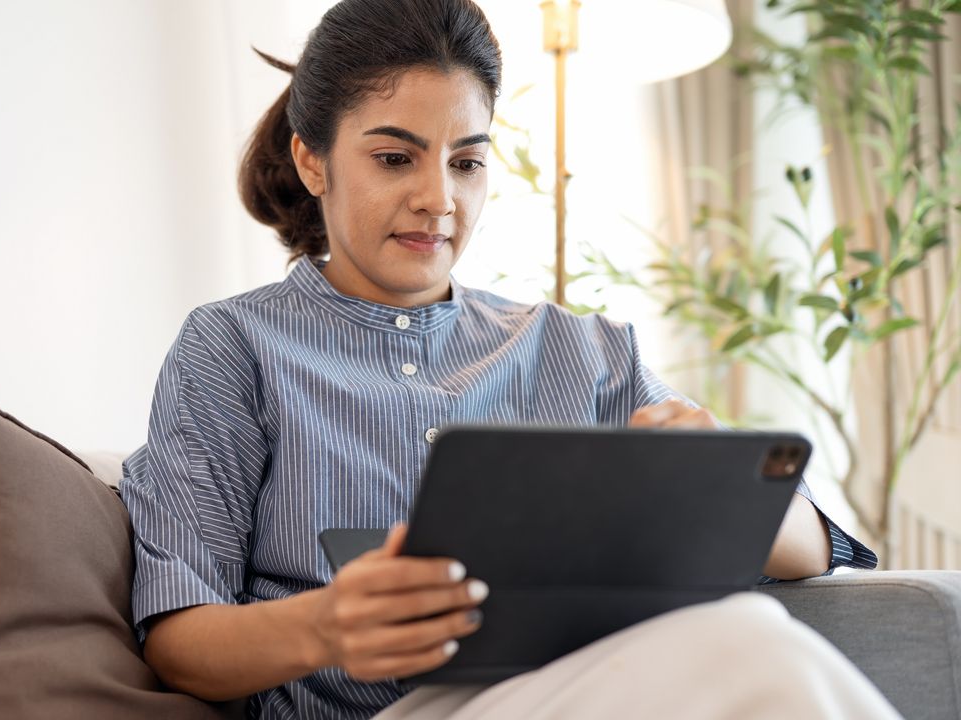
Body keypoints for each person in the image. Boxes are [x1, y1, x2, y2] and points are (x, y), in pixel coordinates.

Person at [118, 0, 894, 718]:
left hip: (575, 691)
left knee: (748, 627)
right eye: (396, 159)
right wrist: (325, 627)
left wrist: (714, 481)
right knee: (746, 643)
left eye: (466, 162)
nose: (439, 199)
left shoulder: (580, 349)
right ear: (313, 160)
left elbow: (812, 548)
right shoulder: (234, 347)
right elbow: (179, 637)